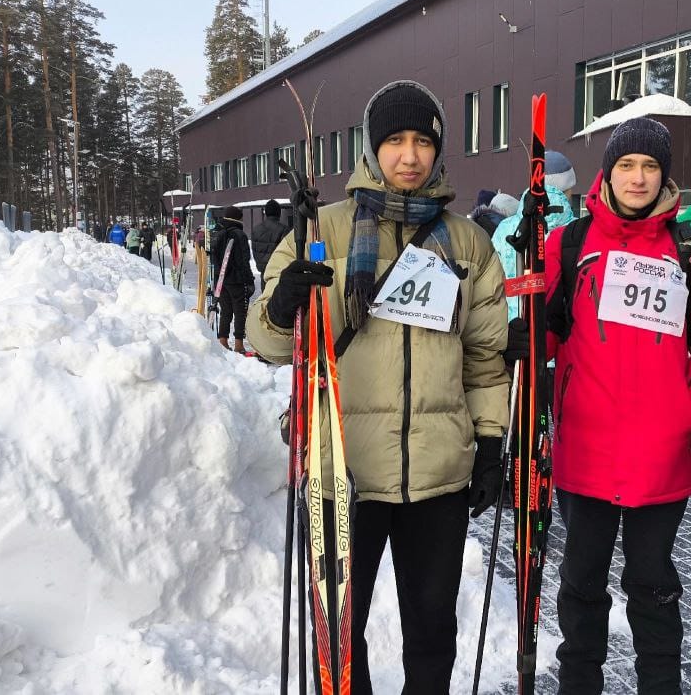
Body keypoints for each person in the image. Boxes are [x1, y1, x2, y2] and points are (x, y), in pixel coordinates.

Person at [246, 80, 510, 693]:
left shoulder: (467, 242)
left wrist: (492, 442)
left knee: (431, 635)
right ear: (374, 148)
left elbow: (485, 357)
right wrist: (284, 306)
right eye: (396, 141)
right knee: (338, 635)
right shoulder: (324, 231)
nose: (410, 156)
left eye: (422, 141)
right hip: (345, 471)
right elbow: (269, 342)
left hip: (437, 476)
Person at [518, 117, 691, 694]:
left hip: (661, 452)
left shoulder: (689, 249)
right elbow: (550, 329)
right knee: (582, 582)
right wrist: (529, 344)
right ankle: (578, 685)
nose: (638, 178)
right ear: (608, 172)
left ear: (664, 177)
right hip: (586, 444)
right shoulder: (572, 241)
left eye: (650, 167)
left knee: (653, 585)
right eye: (626, 165)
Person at [492, 150, 578, 320]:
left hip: (510, 328)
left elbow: (491, 284)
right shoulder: (578, 230)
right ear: (567, 190)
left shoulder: (505, 229)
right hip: (561, 328)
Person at [210, 205, 254, 352]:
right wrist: (249, 280)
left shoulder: (218, 234)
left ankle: (222, 340)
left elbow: (214, 259)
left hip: (221, 280)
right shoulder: (239, 235)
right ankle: (239, 344)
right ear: (237, 219)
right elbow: (244, 260)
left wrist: (217, 279)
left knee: (226, 311)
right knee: (240, 311)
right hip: (237, 279)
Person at [251, 199, 290, 292]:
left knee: (266, 299)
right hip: (278, 273)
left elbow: (255, 251)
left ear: (266, 213)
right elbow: (286, 252)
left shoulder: (256, 229)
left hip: (264, 272)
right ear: (279, 213)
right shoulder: (283, 229)